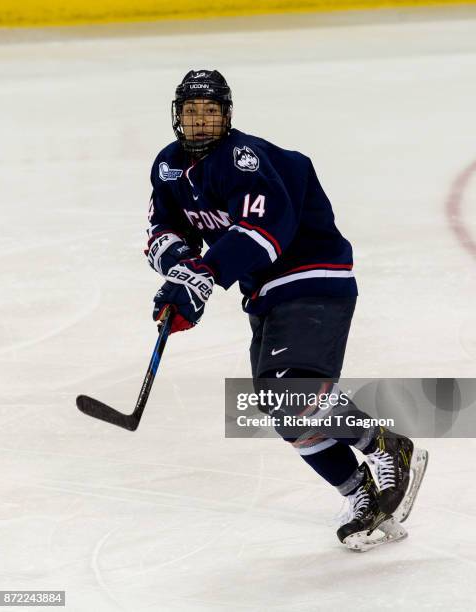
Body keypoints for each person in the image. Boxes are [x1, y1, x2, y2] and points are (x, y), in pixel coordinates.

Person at [146, 69, 428, 551]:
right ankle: (360, 493)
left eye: (210, 112)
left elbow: (263, 232)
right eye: (190, 112)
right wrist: (182, 274)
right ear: (177, 116)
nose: (199, 122)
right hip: (264, 293)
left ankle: (384, 447)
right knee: (283, 410)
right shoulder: (168, 166)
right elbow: (160, 234)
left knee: (290, 390)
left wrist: (205, 275)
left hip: (312, 276)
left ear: (227, 116)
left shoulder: (245, 159)